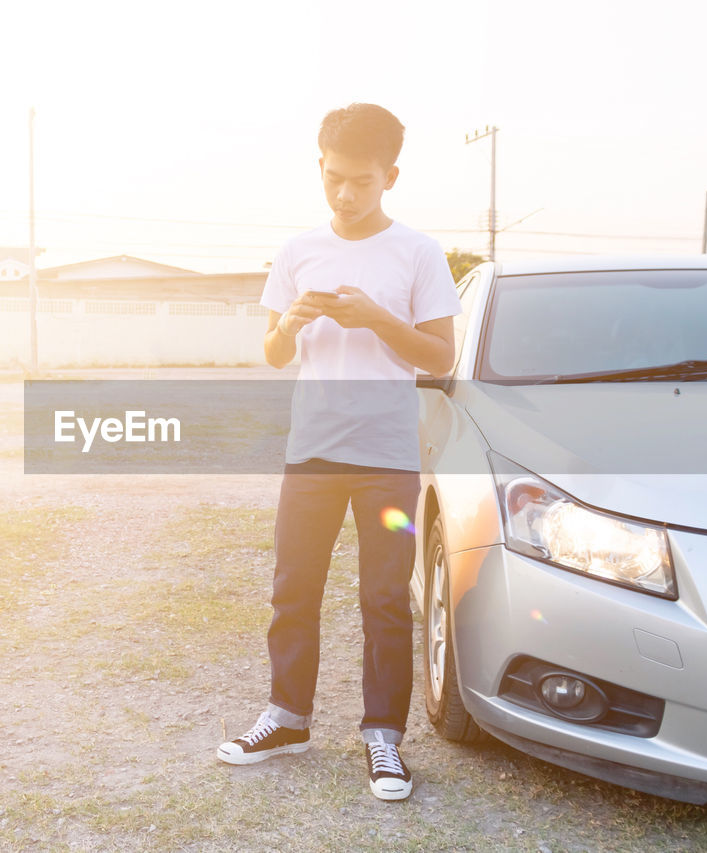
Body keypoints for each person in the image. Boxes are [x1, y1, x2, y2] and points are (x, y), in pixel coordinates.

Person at [215, 103, 461, 802]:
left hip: (386, 455)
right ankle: (287, 717)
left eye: (361, 181)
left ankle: (383, 735)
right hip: (312, 454)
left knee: (385, 598)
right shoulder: (297, 251)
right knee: (293, 588)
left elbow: (440, 354)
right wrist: (290, 321)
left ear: (391, 176)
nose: (346, 194)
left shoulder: (418, 253)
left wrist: (376, 318)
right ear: (319, 166)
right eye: (333, 178)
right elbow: (272, 353)